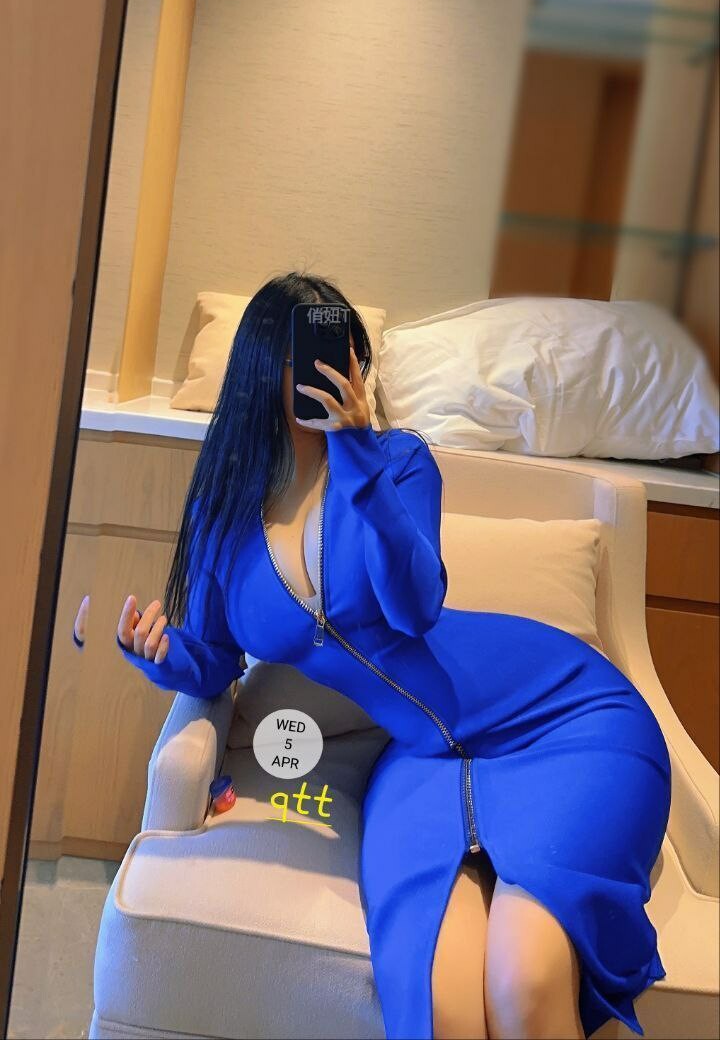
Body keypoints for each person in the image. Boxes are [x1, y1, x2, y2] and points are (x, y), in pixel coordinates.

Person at [75, 271, 671, 1040]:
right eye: (310, 352)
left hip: (563, 716)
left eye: (347, 352)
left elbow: (414, 604)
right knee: (442, 1005)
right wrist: (160, 656)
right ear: (263, 366)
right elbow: (217, 664)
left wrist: (354, 450)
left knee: (526, 980)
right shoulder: (222, 514)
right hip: (422, 759)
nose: (335, 368)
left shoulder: (397, 462)